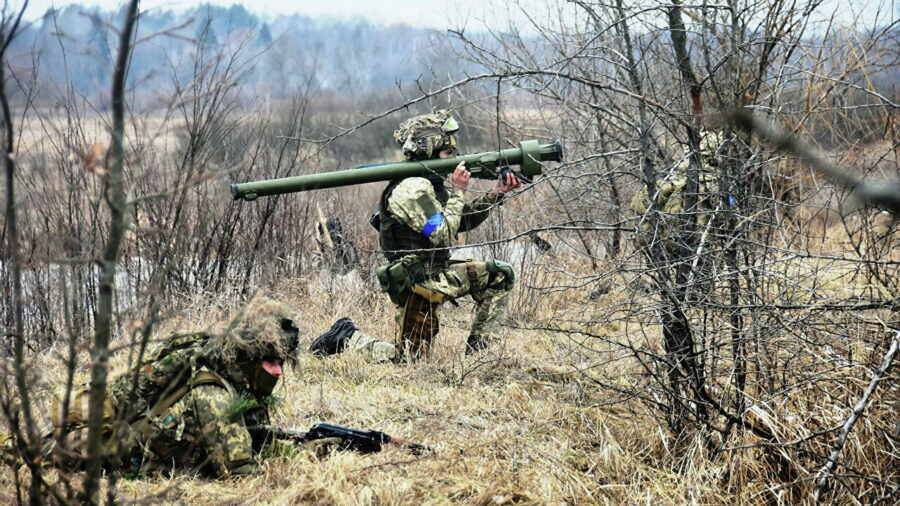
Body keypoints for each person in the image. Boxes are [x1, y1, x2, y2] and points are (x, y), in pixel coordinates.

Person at [44, 295, 305, 477]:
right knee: (35, 450)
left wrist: (306, 443)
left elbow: (254, 437)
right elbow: (238, 471)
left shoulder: (238, 382)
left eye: (281, 362)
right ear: (248, 357)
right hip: (111, 453)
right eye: (270, 363)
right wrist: (302, 457)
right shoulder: (214, 394)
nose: (278, 371)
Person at [370, 110, 521, 359]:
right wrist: (460, 191)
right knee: (409, 360)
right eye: (448, 153)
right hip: (416, 283)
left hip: (438, 273)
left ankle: (478, 355)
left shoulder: (430, 183)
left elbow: (460, 220)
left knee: (499, 275)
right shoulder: (412, 189)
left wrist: (496, 193)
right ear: (428, 151)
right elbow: (442, 233)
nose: (455, 158)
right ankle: (348, 338)